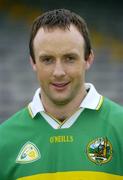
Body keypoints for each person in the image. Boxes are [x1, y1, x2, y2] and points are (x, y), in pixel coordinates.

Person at [0, 8, 123, 180]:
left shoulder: (120, 126)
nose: (58, 72)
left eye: (69, 58)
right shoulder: (4, 139)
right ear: (33, 62)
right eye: (47, 59)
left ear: (88, 59)